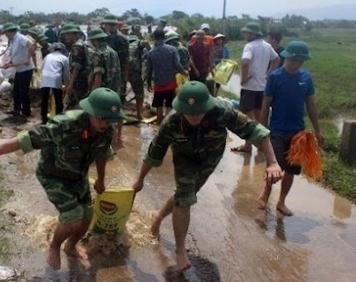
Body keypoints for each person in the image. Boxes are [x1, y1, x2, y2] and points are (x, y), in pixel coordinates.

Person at [132, 80, 283, 271]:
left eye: (199, 112)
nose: (194, 116)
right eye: (189, 112)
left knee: (186, 193)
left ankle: (158, 216)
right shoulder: (172, 122)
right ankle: (180, 251)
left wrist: (273, 162)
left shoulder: (221, 111)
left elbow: (257, 132)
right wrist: (139, 180)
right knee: (185, 197)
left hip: (211, 156)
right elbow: (153, 154)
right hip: (184, 157)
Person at [0, 88, 126, 270]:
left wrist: (101, 179)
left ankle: (71, 246)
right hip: (52, 174)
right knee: (73, 217)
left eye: (109, 120)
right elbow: (23, 140)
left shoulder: (105, 131)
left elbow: (101, 154)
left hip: (77, 175)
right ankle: (54, 246)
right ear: (90, 112)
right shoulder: (64, 125)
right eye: (101, 118)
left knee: (87, 216)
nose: (105, 124)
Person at [258, 41, 324, 216]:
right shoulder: (275, 77)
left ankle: (281, 201)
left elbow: (310, 104)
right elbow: (265, 105)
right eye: (293, 60)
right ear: (286, 57)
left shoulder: (306, 78)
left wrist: (318, 131)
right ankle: (266, 192)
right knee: (274, 166)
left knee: (291, 170)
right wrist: (262, 130)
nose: (296, 64)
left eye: (300, 61)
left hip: (298, 133)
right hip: (277, 130)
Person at [232, 22, 281, 153]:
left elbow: (245, 62)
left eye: (246, 33)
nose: (244, 35)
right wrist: (268, 74)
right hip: (262, 88)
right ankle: (261, 144)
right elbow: (277, 60)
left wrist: (243, 79)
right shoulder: (267, 46)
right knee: (260, 118)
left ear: (252, 34)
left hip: (249, 88)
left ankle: (248, 145)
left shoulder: (250, 46)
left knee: (247, 119)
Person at [146, 30, 188, 125]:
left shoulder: (150, 53)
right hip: (170, 82)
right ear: (164, 37)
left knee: (159, 105)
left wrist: (148, 83)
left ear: (154, 38)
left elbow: (149, 70)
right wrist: (183, 71)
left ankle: (159, 126)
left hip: (158, 83)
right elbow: (177, 64)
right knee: (169, 105)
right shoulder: (172, 49)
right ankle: (167, 125)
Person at [101, 15, 129, 140]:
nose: (110, 27)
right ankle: (111, 134)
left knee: (117, 105)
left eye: (112, 25)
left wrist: (125, 79)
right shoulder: (102, 38)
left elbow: (126, 62)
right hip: (108, 76)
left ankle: (117, 135)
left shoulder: (122, 39)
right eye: (108, 25)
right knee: (110, 104)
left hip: (115, 77)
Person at [1, 22, 36, 118]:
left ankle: (26, 112)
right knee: (16, 90)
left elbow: (31, 45)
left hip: (26, 69)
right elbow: (15, 53)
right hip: (19, 69)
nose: (5, 35)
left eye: (6, 33)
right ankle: (17, 109)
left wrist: (28, 59)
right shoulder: (12, 40)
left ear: (10, 32)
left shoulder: (20, 37)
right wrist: (9, 62)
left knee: (23, 91)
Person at [62, 24, 91, 109]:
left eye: (66, 34)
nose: (65, 37)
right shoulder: (81, 44)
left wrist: (71, 83)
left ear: (72, 34)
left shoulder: (77, 46)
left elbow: (77, 66)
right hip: (81, 79)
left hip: (78, 80)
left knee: (75, 104)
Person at [40, 43, 70, 124]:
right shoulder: (64, 58)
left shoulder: (48, 56)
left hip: (45, 78)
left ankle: (44, 120)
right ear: (63, 50)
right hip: (56, 79)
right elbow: (66, 74)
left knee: (44, 101)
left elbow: (42, 68)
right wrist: (68, 85)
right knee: (58, 101)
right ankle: (58, 120)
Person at [89, 29, 121, 93]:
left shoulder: (98, 54)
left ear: (95, 41)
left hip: (103, 90)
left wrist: (96, 93)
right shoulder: (113, 51)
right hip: (114, 88)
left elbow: (98, 75)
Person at [127, 35, 145, 120]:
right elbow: (145, 42)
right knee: (139, 93)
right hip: (134, 71)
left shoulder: (124, 45)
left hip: (123, 70)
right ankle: (139, 114)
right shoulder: (137, 43)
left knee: (120, 94)